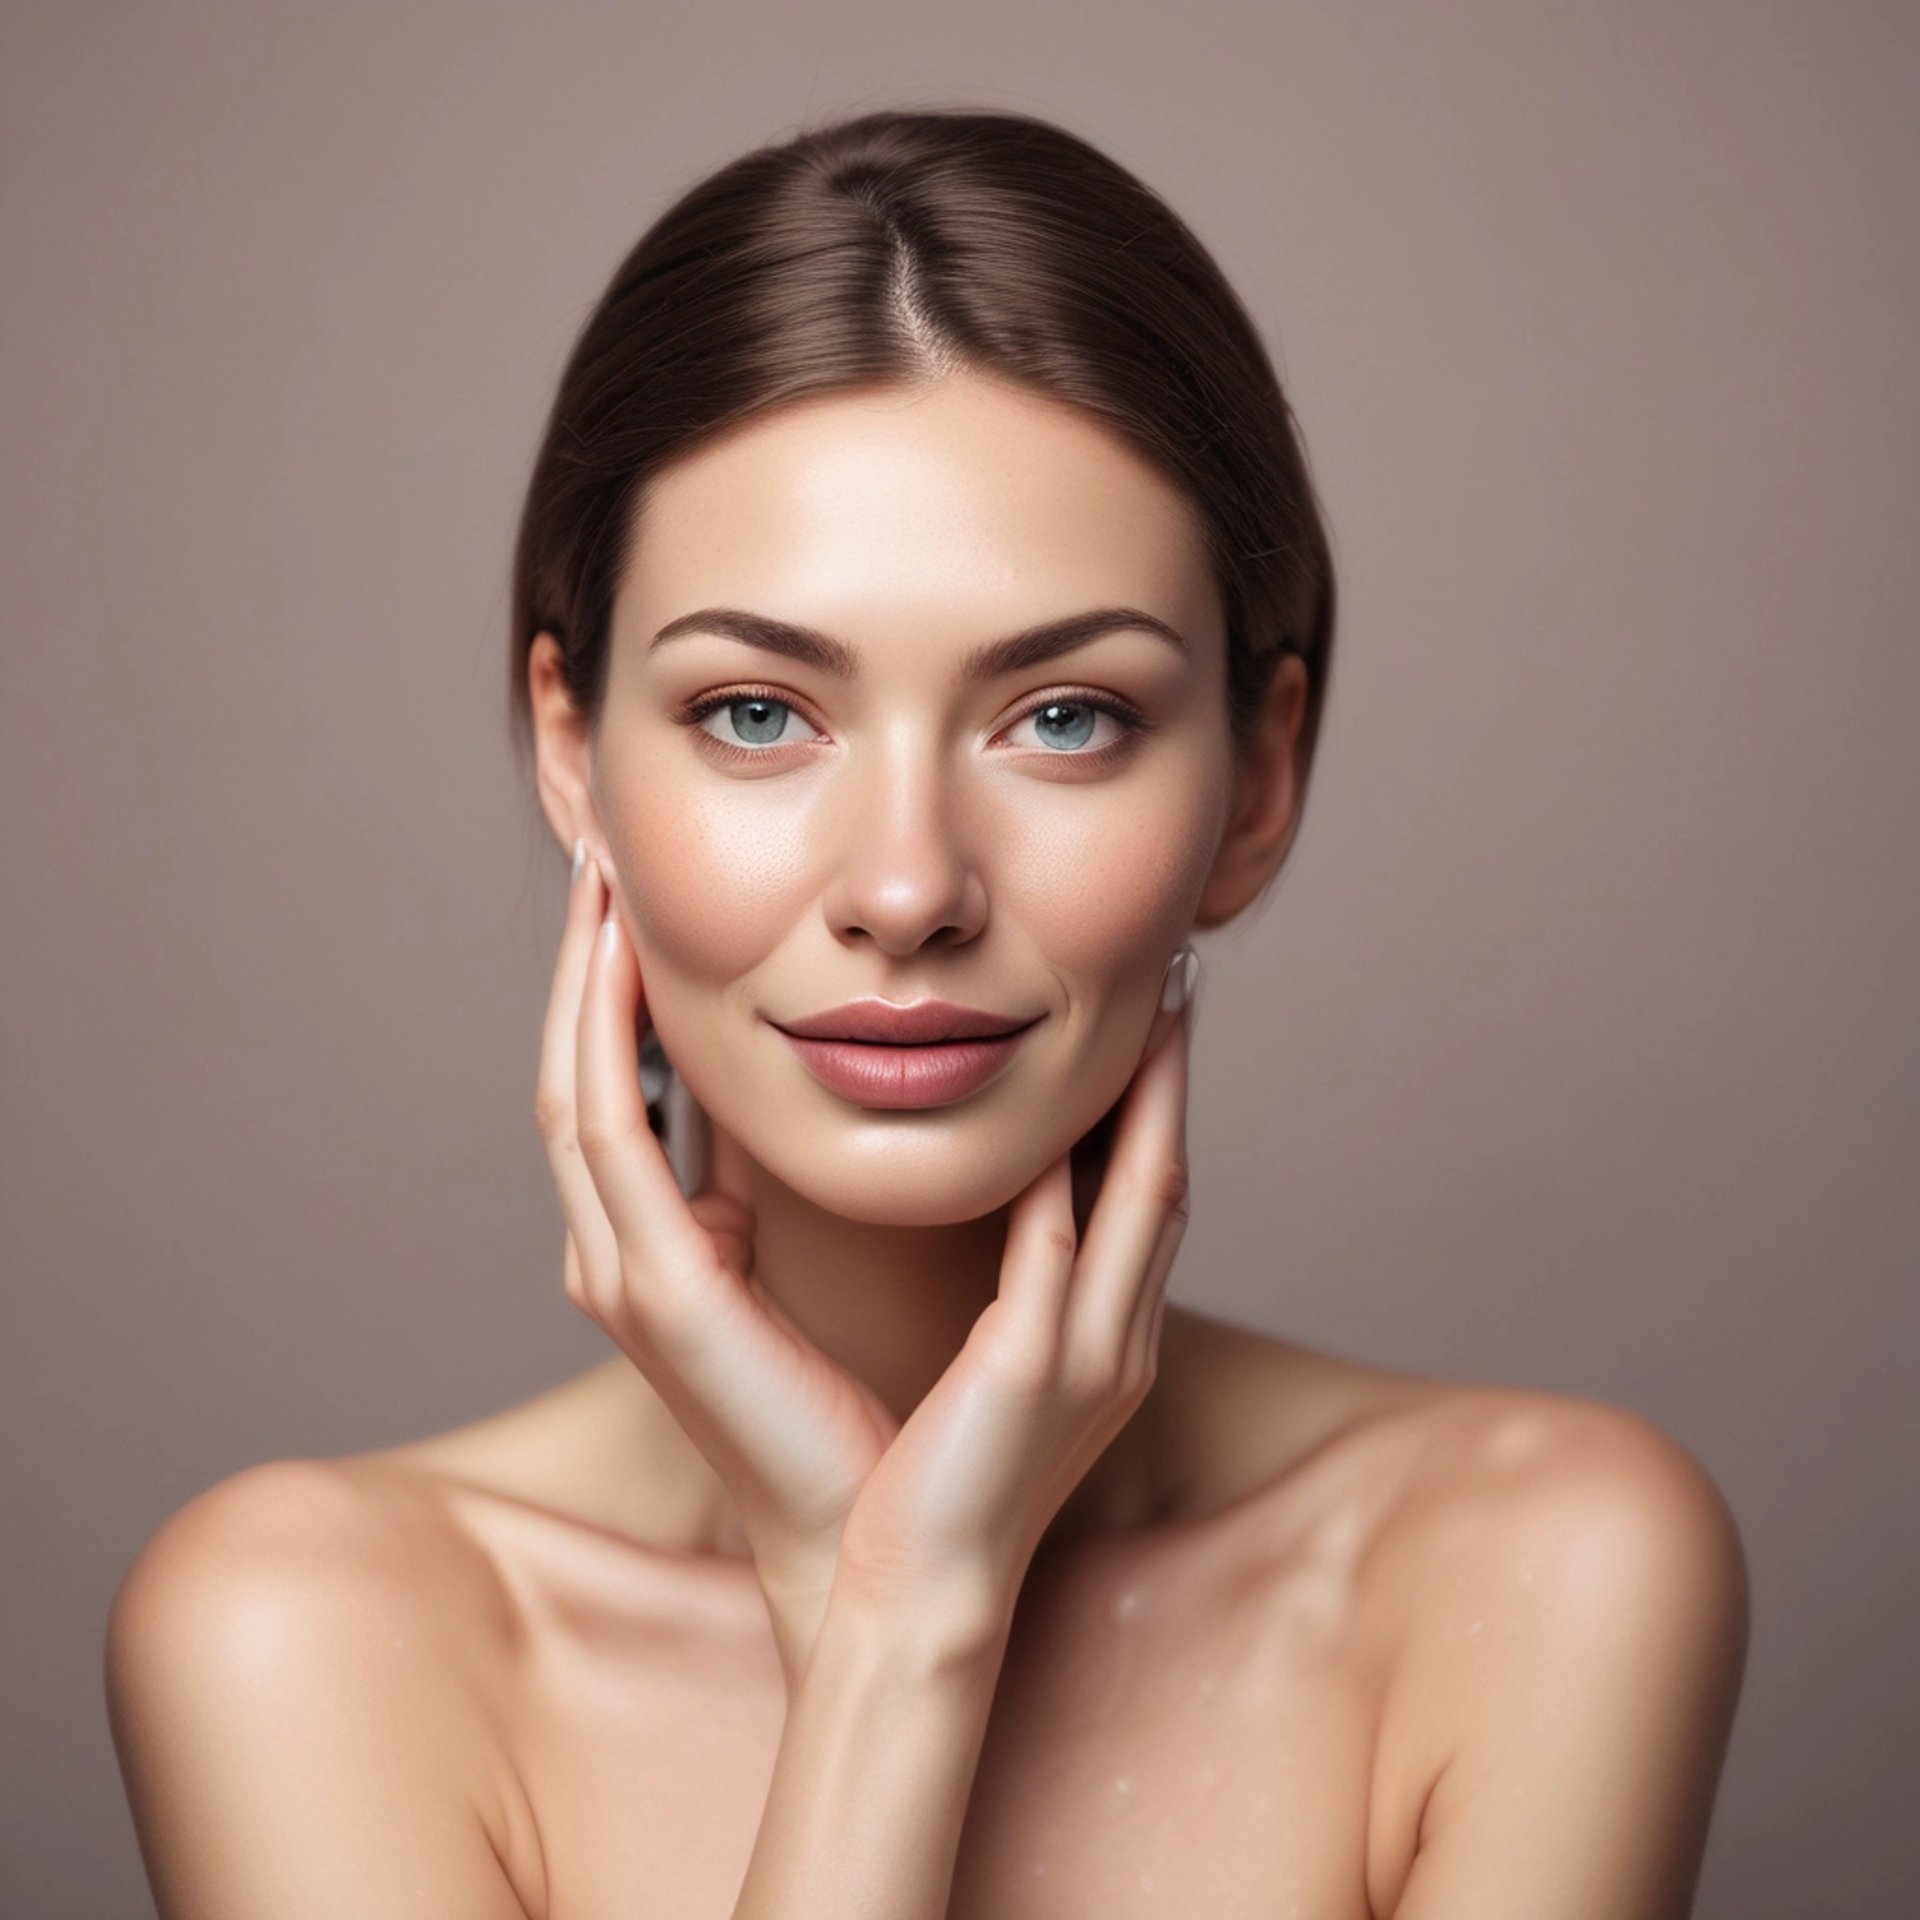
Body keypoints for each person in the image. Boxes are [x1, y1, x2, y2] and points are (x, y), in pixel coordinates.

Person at [103, 107, 1749, 1918]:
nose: (906, 885)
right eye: (755, 712)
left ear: (1260, 775)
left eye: (1063, 716)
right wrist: (895, 1622)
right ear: (573, 752)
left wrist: (890, 1594)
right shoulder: (307, 1639)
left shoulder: (1539, 1572)